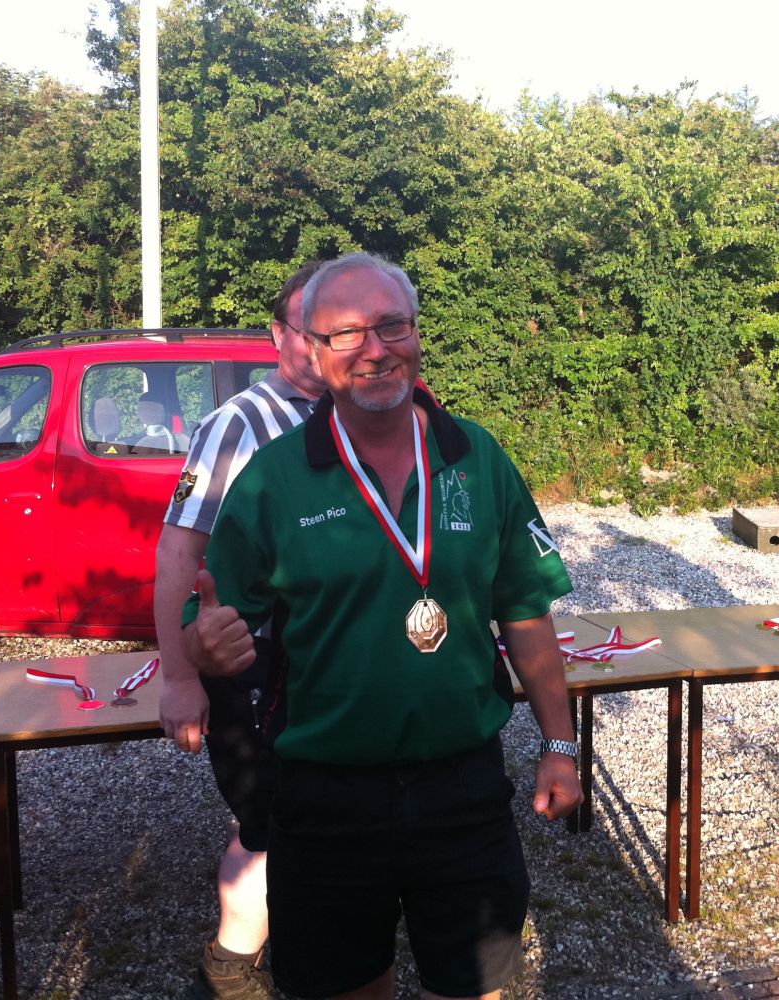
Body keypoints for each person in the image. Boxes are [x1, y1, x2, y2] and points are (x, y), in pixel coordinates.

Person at [183, 252, 582, 1000]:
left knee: (476, 986)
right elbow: (205, 614)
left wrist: (560, 746)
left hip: (463, 788)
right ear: (312, 350)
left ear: (417, 333)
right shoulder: (274, 478)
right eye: (346, 333)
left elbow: (526, 610)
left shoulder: (478, 458)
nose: (374, 349)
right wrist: (203, 647)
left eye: (392, 325)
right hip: (325, 796)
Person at [156, 260, 327, 999]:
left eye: (338, 330)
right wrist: (178, 676)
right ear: (277, 335)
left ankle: (306, 948)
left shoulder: (362, 414)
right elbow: (178, 551)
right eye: (307, 329)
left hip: (327, 666)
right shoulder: (239, 424)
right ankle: (231, 967)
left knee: (317, 813)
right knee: (268, 819)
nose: (322, 345)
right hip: (255, 666)